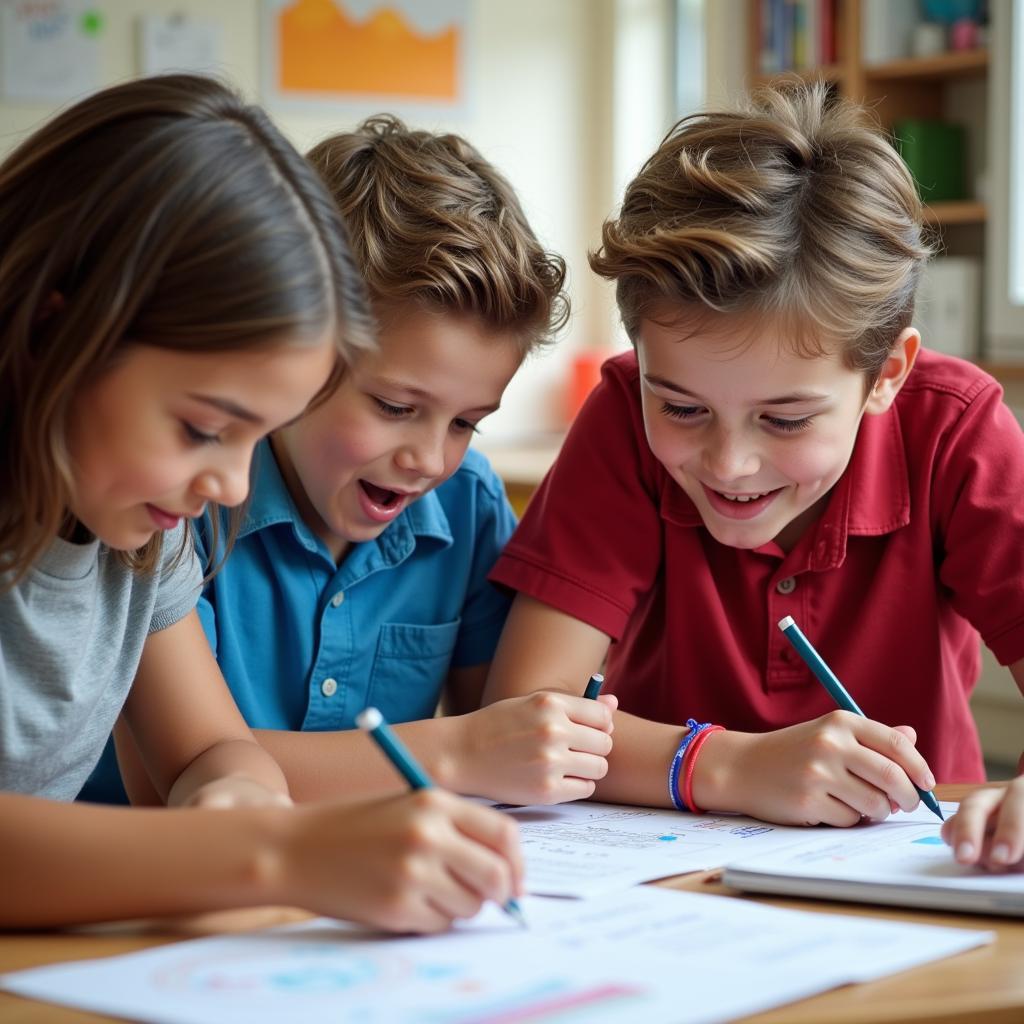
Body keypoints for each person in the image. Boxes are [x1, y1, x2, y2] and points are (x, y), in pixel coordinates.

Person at [1, 75, 521, 931]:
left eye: (258, 435)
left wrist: (232, 798)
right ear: (58, 335)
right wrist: (274, 856)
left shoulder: (134, 532)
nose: (235, 488)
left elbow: (206, 749)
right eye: (206, 427)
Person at [483, 83, 1024, 833]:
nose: (730, 463)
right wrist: (730, 766)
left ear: (887, 376)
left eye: (786, 418)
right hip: (655, 874)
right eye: (680, 407)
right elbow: (518, 717)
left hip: (914, 861)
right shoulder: (620, 419)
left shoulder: (955, 432)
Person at [83, 114, 615, 811]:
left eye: (466, 424)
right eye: (395, 407)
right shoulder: (177, 500)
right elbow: (177, 771)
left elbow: (508, 732)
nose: (428, 459)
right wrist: (460, 752)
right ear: (296, 350)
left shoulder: (467, 501)